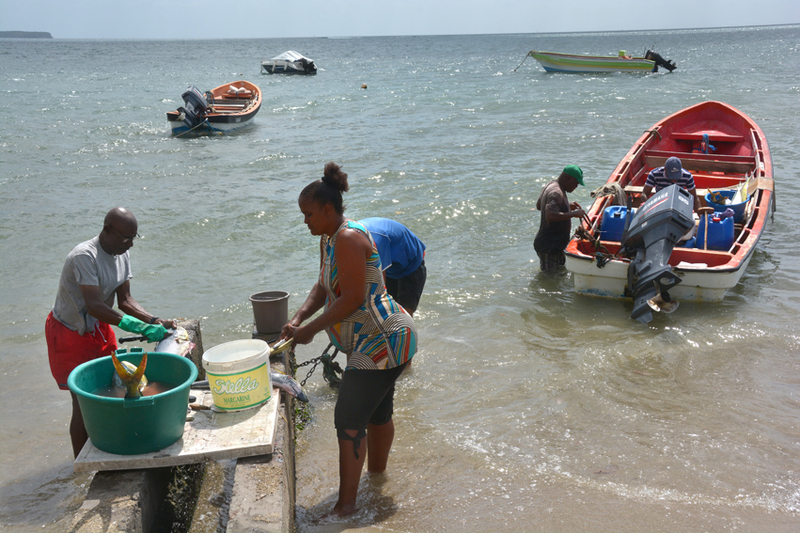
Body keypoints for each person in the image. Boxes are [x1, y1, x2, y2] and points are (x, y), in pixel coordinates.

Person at [281, 162, 417, 518]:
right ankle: (375, 479)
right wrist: (297, 319)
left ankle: (346, 507)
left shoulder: (347, 238)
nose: (305, 221)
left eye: (309, 214)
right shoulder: (329, 238)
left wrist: (310, 331)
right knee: (377, 413)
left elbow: (353, 298)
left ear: (328, 210)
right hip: (373, 338)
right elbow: (323, 285)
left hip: (384, 337)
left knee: (348, 418)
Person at [46, 207, 175, 458]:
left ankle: (110, 450)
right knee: (82, 401)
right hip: (70, 331)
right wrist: (138, 327)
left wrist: (154, 321)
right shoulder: (84, 256)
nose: (130, 245)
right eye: (126, 239)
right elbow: (95, 305)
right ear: (107, 230)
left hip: (99, 327)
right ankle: (82, 465)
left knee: (116, 386)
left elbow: (125, 300)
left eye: (134, 239)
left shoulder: (121, 253)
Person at [358, 217, 426, 316]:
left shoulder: (377, 240)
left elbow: (380, 287)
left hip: (411, 264)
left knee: (404, 314)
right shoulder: (349, 235)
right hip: (391, 264)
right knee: (388, 311)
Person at [533, 164, 586, 273]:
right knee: (550, 278)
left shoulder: (551, 185)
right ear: (567, 178)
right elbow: (551, 215)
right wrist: (574, 214)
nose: (576, 187)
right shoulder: (556, 193)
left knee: (559, 274)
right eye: (575, 183)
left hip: (556, 244)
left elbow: (540, 205)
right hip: (549, 246)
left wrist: (566, 206)